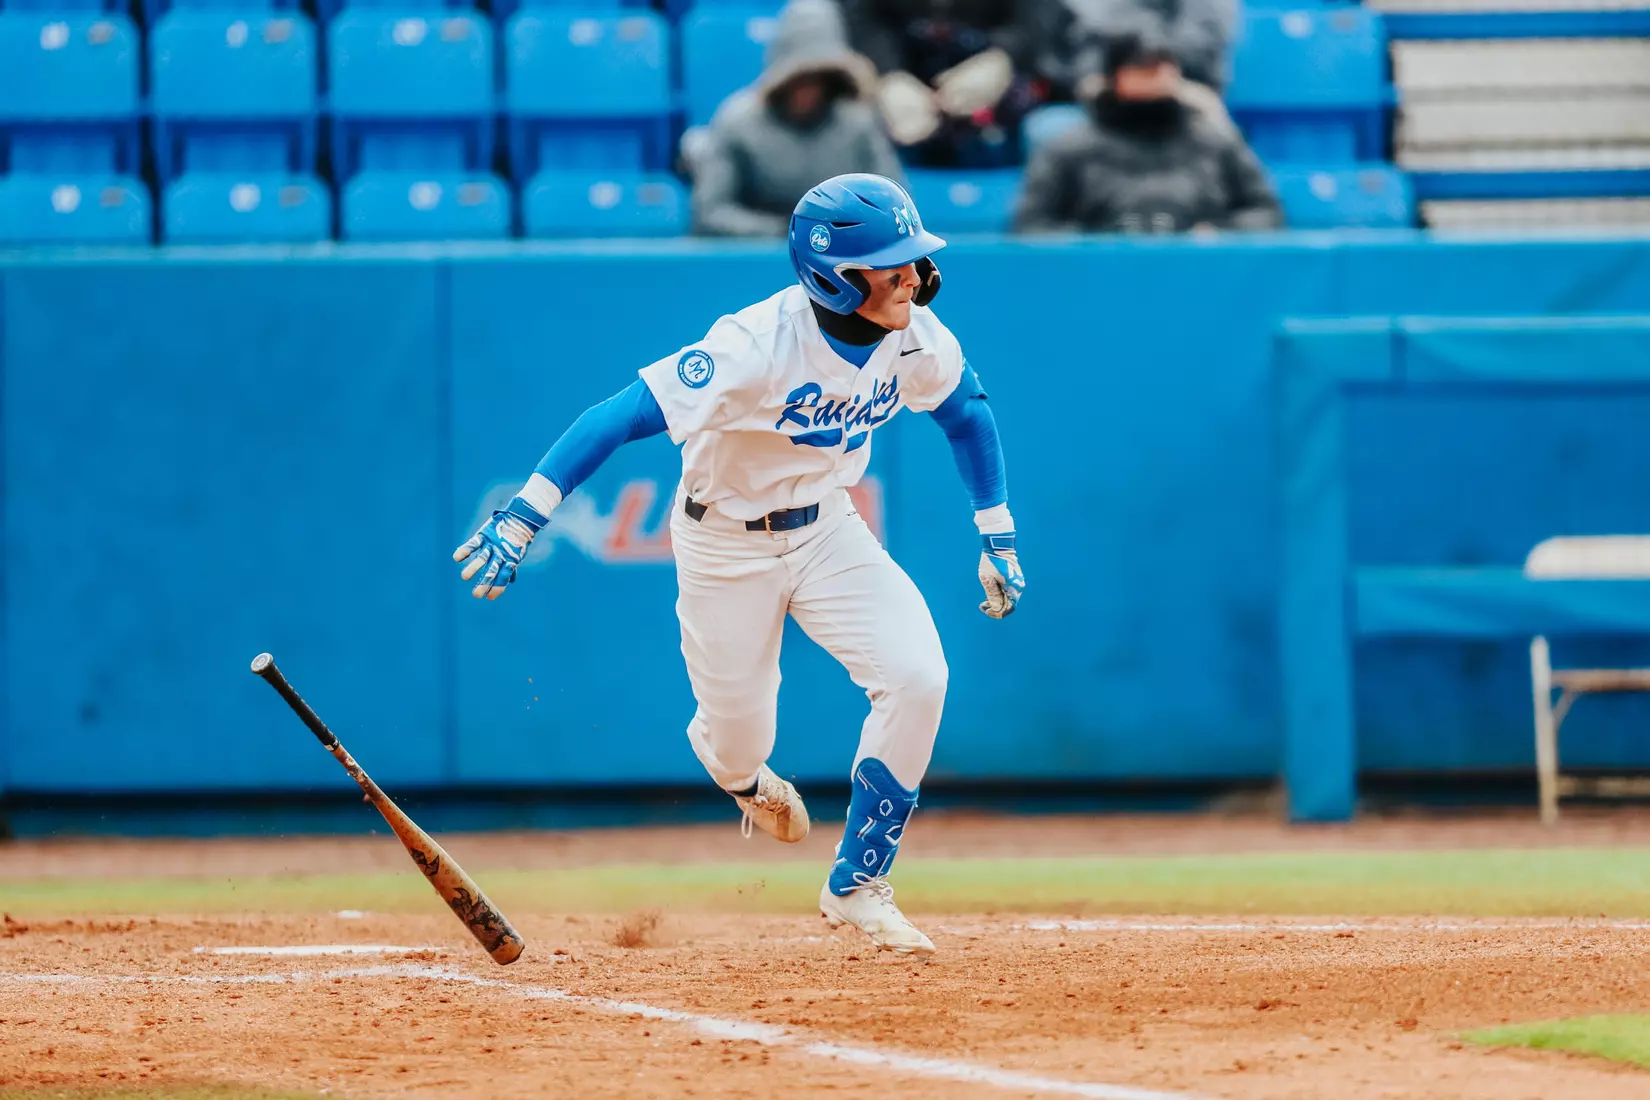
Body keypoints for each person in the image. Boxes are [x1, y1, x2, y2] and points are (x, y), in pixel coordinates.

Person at [454, 174, 1025, 957]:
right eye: (888, 264)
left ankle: (857, 886)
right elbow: (616, 415)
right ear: (832, 275)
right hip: (724, 544)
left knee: (920, 675)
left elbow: (967, 414)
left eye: (911, 258)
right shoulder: (753, 347)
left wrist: (996, 533)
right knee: (738, 741)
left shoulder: (918, 335)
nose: (910, 276)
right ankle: (740, 778)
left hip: (829, 528)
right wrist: (524, 513)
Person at [1014, 31, 1282, 234]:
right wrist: (1091, 243)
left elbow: (1266, 212)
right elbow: (1031, 225)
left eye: (1165, 67)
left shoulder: (1216, 141)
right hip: (1098, 283)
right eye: (1145, 68)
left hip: (1200, 277)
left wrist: (1218, 231)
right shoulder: (1068, 148)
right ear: (1116, 76)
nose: (1159, 77)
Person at [689, 0, 902, 237]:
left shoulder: (859, 122)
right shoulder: (737, 122)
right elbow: (710, 211)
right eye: (799, 79)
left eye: (819, 79)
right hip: (760, 255)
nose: (809, 91)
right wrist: (784, 231)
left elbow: (894, 206)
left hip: (844, 256)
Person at [842, 0, 1079, 167]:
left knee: (1055, 127)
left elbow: (1039, 19)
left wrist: (1002, 57)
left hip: (999, 87)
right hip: (907, 89)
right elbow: (861, 18)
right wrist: (888, 74)